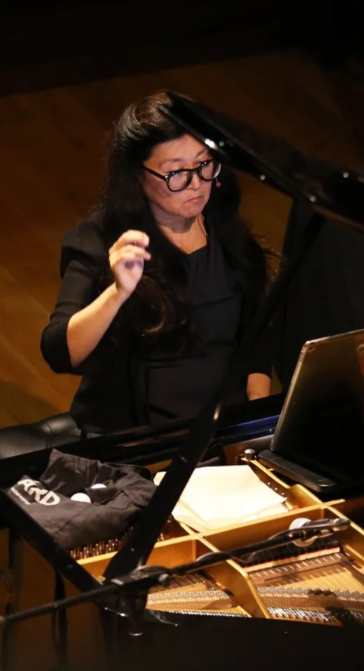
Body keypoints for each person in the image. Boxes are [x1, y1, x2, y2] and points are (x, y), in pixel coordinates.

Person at [41, 92, 273, 435]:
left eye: (204, 163)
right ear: (137, 174)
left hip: (220, 432)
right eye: (176, 172)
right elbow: (59, 352)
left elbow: (253, 345)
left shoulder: (224, 225)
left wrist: (254, 424)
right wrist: (117, 292)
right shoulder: (98, 240)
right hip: (139, 442)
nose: (196, 184)